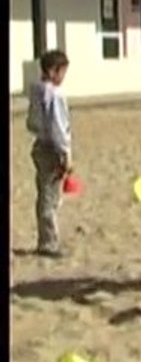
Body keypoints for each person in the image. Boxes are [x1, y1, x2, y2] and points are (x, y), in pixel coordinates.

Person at [26, 49, 72, 257]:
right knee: (50, 197)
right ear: (54, 71)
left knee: (44, 192)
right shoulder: (55, 95)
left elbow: (32, 123)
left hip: (39, 145)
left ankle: (45, 238)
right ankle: (49, 242)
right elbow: (59, 127)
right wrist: (66, 153)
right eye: (62, 72)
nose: (63, 77)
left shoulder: (35, 91)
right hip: (52, 148)